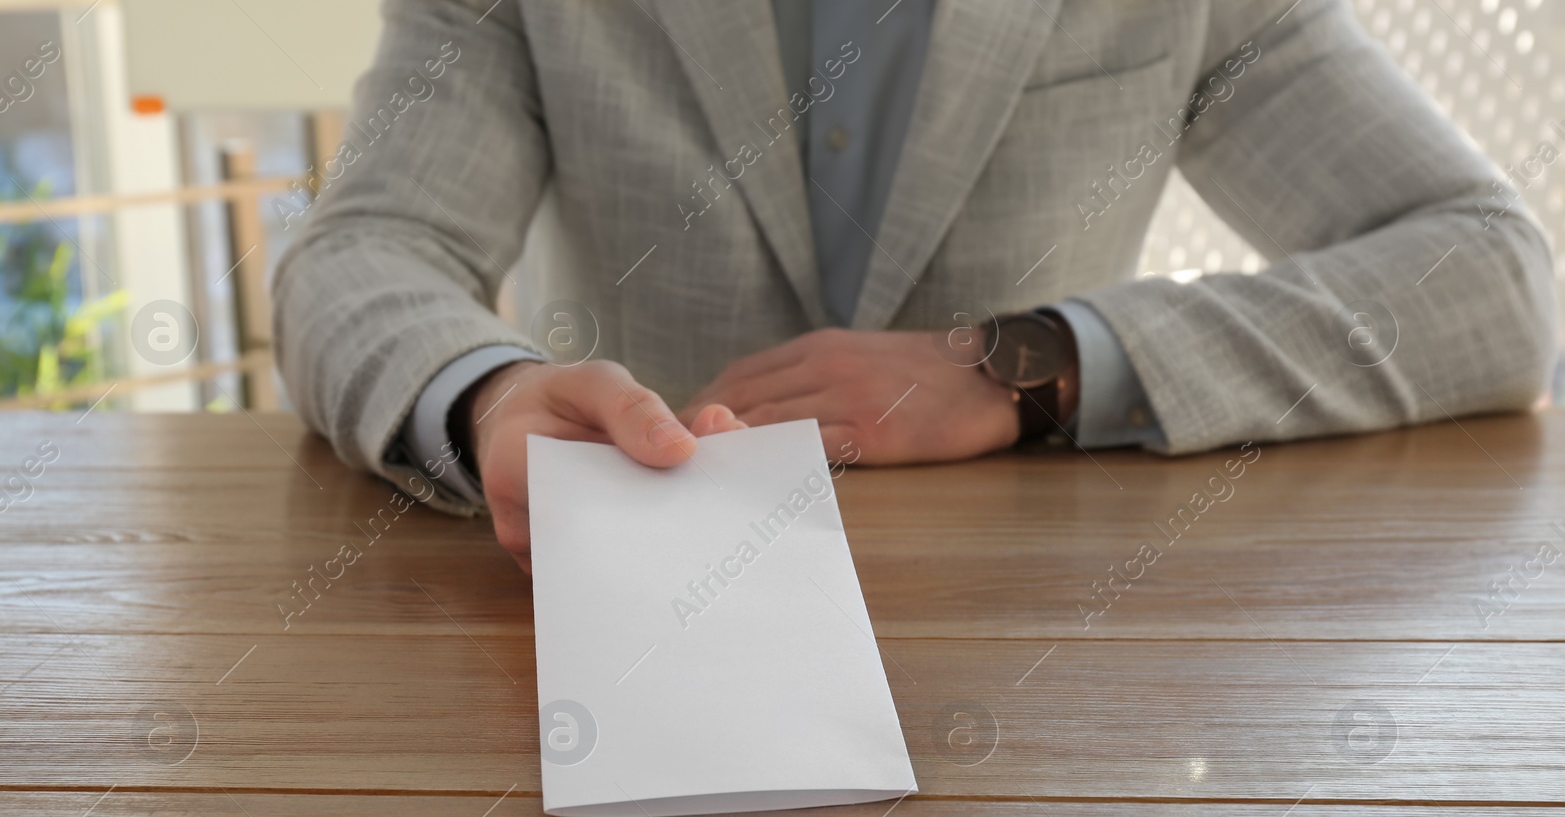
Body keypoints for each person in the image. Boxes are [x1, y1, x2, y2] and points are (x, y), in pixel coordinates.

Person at [274, 0, 1558, 572]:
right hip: (626, 616)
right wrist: (488, 395)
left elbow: (1491, 279)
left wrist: (1028, 361)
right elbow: (363, 249)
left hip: (1030, 653)